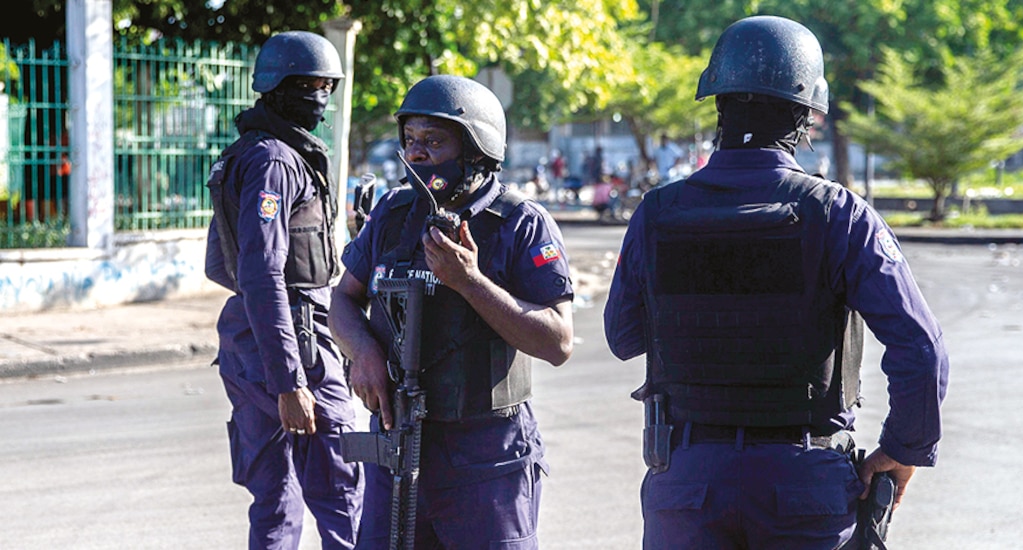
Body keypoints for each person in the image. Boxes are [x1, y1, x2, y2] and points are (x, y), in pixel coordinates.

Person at [603, 16, 949, 549]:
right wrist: (902, 448)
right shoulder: (838, 214)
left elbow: (623, 337)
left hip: (687, 484)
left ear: (717, 104)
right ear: (807, 115)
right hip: (802, 484)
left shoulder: (656, 213)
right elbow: (920, 348)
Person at [329, 74, 574, 548]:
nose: (416, 154)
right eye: (410, 140)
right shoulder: (394, 214)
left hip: (487, 458)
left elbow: (558, 341)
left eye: (433, 142)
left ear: (476, 150)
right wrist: (361, 352)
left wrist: (469, 282)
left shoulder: (519, 223)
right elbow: (342, 299)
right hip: (397, 444)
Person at [203, 31, 363, 549]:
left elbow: (224, 265)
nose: (320, 96)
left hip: (255, 341)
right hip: (294, 344)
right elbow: (261, 272)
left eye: (326, 85)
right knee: (340, 495)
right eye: (309, 84)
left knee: (275, 503)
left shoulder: (251, 153)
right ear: (277, 88)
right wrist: (290, 381)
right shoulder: (275, 160)